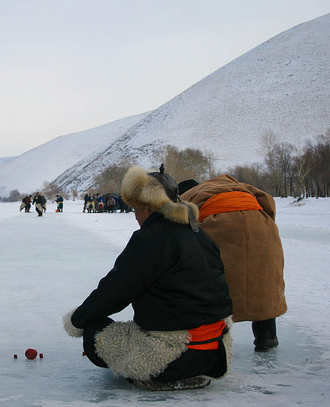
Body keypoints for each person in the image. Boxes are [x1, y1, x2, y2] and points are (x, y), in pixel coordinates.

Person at [63, 165, 233, 391]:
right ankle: (192, 371)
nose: (135, 215)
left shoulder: (151, 238)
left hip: (172, 356)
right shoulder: (199, 234)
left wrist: (77, 321)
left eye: (137, 208)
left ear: (150, 207)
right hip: (217, 353)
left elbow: (115, 291)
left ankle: (157, 376)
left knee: (94, 332)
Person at [179, 175, 287, 352]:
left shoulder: (186, 196)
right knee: (262, 285)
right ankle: (266, 337)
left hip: (221, 227)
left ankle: (212, 343)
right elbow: (268, 202)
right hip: (262, 227)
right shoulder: (230, 185)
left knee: (213, 285)